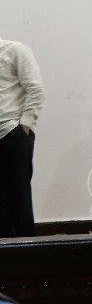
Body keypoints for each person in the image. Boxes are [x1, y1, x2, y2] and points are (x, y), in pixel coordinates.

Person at [0, 37, 44, 237]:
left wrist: (25, 125)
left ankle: (26, 250)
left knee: (18, 198)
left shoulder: (15, 50)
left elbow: (35, 89)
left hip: (12, 133)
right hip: (12, 132)